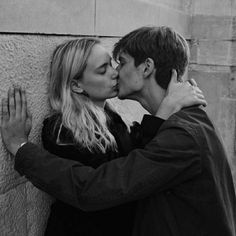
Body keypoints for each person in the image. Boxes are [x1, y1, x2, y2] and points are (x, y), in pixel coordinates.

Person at [2, 26, 235, 236]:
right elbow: (101, 184)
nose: (116, 72)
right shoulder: (62, 130)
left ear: (147, 67)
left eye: (120, 63)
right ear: (76, 84)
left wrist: (21, 149)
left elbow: (119, 178)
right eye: (104, 69)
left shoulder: (179, 133)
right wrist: (21, 148)